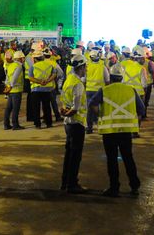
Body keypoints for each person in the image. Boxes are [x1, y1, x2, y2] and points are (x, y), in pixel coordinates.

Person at [88, 68, 145, 198]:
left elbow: (92, 104)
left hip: (109, 131)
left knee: (112, 160)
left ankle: (114, 188)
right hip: (126, 131)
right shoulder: (131, 90)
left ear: (111, 78)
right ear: (121, 78)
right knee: (128, 158)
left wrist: (99, 114)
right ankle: (134, 186)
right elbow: (141, 110)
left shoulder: (104, 90)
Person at [60, 55, 88, 194]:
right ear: (81, 67)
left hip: (68, 124)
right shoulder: (78, 84)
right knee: (75, 156)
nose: (86, 69)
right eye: (85, 67)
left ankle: (65, 181)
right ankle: (72, 184)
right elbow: (75, 108)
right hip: (77, 123)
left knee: (69, 154)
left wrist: (63, 112)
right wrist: (67, 113)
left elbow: (63, 101)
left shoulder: (68, 80)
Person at [28, 48, 56, 129]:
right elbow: (54, 75)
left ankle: (38, 124)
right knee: (47, 107)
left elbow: (31, 78)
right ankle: (49, 123)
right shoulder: (50, 65)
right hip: (47, 89)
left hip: (36, 89)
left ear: (35, 58)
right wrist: (47, 81)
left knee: (36, 108)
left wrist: (40, 82)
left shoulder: (32, 67)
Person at [84, 47, 109, 134]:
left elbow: (83, 79)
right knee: (100, 109)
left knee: (89, 110)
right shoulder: (103, 67)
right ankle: (101, 127)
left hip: (89, 90)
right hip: (100, 91)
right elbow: (107, 80)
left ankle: (89, 128)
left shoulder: (87, 67)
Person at [4, 50, 24, 130]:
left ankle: (6, 124)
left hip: (10, 90)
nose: (23, 59)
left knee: (8, 108)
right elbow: (14, 78)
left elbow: (7, 78)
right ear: (19, 58)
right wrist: (11, 86)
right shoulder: (18, 66)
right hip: (16, 90)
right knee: (16, 108)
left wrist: (7, 86)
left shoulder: (11, 65)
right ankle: (15, 125)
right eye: (22, 58)